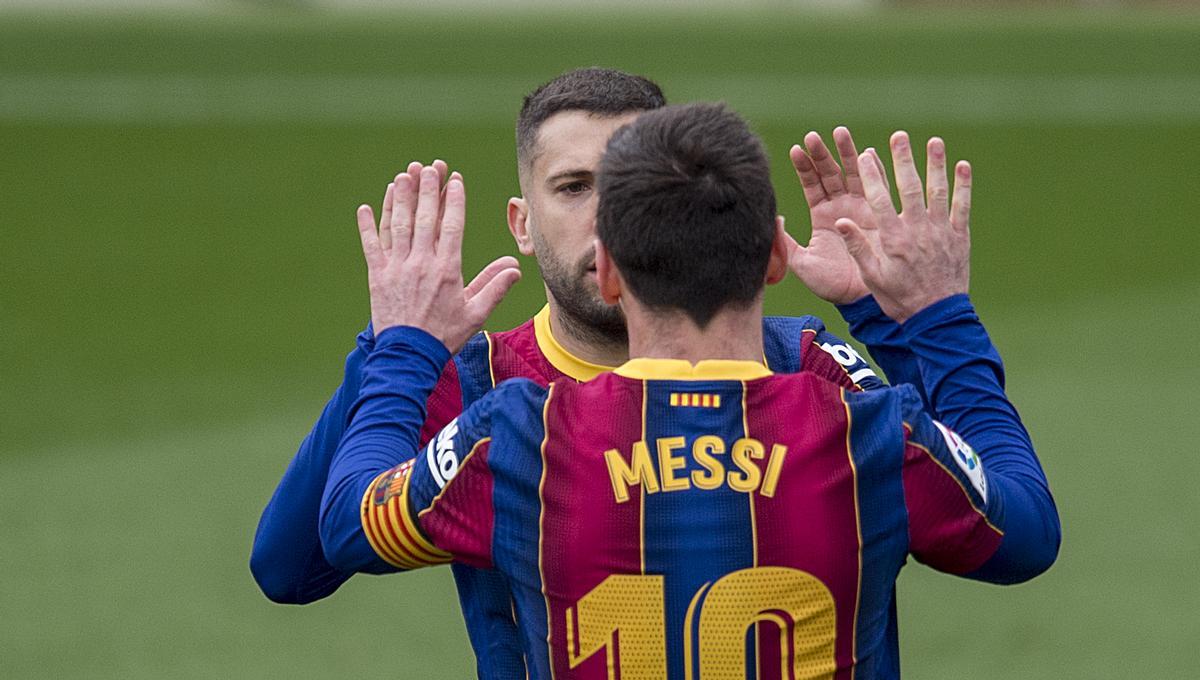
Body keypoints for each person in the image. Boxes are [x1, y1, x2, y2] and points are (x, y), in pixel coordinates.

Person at [320, 102, 1060, 678]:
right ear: (776, 256)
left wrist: (404, 346)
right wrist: (932, 317)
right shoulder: (874, 438)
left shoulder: (518, 439)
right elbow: (1026, 532)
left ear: (607, 271)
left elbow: (346, 522)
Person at [251, 69, 895, 677]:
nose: (607, 216)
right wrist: (393, 343)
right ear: (522, 225)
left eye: (631, 185)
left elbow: (966, 485)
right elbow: (291, 568)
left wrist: (883, 309)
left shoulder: (797, 359)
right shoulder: (477, 384)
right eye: (574, 187)